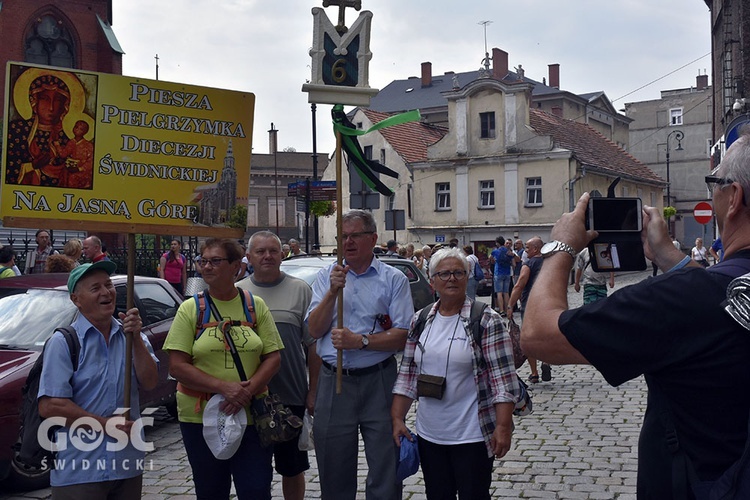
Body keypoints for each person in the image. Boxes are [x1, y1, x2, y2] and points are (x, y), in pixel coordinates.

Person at [521, 133, 750, 499]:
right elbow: (714, 291)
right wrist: (668, 256)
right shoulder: (701, 293)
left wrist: (561, 246)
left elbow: (538, 334)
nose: (712, 193)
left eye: (715, 182)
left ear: (734, 197)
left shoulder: (677, 302)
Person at [391, 247, 520, 500]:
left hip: (471, 434)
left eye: (459, 273)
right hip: (431, 435)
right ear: (432, 281)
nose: (452, 278)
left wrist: (503, 426)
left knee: (474, 494)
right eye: (445, 273)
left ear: (467, 277)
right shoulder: (420, 319)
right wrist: (397, 417)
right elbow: (407, 374)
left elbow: (504, 381)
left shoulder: (486, 320)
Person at [306, 209, 414, 500]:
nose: (348, 242)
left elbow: (403, 335)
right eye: (343, 237)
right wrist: (331, 292)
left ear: (373, 238)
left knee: (386, 464)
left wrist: (361, 341)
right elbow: (315, 330)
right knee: (333, 465)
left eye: (355, 235)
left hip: (379, 380)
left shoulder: (393, 279)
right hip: (334, 380)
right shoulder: (324, 277)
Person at [163, 238, 283, 500]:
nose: (207, 267)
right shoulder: (191, 308)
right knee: (211, 490)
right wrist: (224, 388)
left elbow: (273, 357)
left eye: (215, 261)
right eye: (202, 261)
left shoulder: (254, 305)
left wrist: (247, 392)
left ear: (236, 267)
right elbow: (177, 366)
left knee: (255, 489)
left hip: (252, 415)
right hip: (200, 416)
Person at [38, 261, 159, 498]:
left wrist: (135, 338)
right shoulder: (64, 343)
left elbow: (151, 382)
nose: (106, 292)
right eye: (95, 288)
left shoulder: (132, 336)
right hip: (80, 469)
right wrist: (106, 425)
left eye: (108, 285)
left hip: (127, 464)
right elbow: (50, 406)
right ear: (76, 299)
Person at [237, 231, 320, 500]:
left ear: (283, 255)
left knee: (292, 468)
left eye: (273, 250)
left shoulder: (300, 290)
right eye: (260, 251)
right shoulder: (239, 293)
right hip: (249, 396)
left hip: (290, 395)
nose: (267, 256)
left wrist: (313, 391)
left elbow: (313, 346)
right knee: (253, 470)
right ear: (248, 257)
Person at [6, 73, 72, 187]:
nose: (51, 107)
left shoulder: (67, 138)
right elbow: (8, 167)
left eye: (57, 100)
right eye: (45, 99)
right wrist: (32, 166)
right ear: (34, 103)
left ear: (64, 106)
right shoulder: (17, 130)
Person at [505, 237, 548, 383]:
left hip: (530, 306)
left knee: (529, 339)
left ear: (536, 249)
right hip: (547, 305)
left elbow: (519, 285)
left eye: (528, 248)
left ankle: (534, 373)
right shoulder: (550, 264)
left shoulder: (528, 264)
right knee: (544, 336)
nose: (525, 250)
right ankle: (546, 362)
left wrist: (510, 305)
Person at [56, 119, 94, 189]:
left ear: (85, 132)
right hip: (70, 170)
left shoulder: (89, 145)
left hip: (82, 173)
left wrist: (79, 169)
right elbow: (63, 154)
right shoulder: (71, 142)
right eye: (76, 127)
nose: (77, 130)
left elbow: (91, 161)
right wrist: (57, 145)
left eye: (81, 129)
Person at [490, 235, 514, 316]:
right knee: (506, 292)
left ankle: (501, 310)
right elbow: (513, 262)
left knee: (499, 292)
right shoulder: (508, 251)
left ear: (497, 243)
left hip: (498, 273)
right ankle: (507, 309)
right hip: (507, 273)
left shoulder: (495, 251)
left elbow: (491, 259)